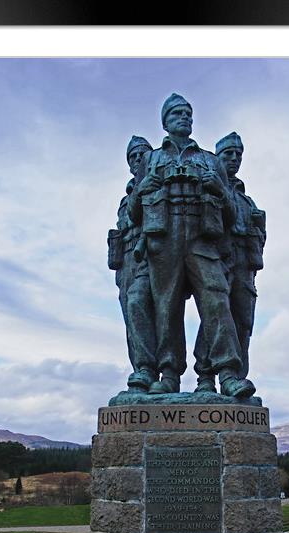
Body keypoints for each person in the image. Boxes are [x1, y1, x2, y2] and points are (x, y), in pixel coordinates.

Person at [128, 94, 256, 398]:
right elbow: (135, 213)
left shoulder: (210, 160)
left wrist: (219, 190)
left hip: (202, 240)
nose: (184, 117)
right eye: (176, 114)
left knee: (216, 300)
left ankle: (226, 373)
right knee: (166, 307)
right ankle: (169, 374)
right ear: (165, 121)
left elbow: (232, 213)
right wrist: (141, 191)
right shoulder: (152, 159)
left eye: (188, 113)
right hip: (164, 239)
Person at [193, 132, 266, 391]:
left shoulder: (247, 201)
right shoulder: (207, 187)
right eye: (228, 154)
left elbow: (260, 236)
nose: (234, 159)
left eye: (238, 155)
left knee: (243, 322)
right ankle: (206, 377)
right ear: (217, 158)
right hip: (219, 259)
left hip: (245, 266)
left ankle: (236, 379)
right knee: (215, 314)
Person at [107, 136, 158, 392]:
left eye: (142, 155)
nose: (138, 160)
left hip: (151, 256)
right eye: (133, 156)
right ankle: (142, 372)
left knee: (146, 308)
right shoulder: (126, 198)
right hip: (126, 261)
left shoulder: (157, 186)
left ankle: (155, 369)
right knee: (132, 318)